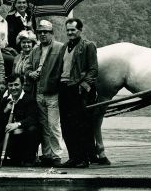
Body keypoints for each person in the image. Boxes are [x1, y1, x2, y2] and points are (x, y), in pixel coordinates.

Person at [57, 18, 98, 168]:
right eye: (68, 30)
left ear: (80, 30)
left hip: (79, 89)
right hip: (64, 88)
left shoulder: (88, 46)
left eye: (73, 30)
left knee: (81, 125)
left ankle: (83, 158)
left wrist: (84, 87)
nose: (70, 33)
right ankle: (73, 157)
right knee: (66, 125)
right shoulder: (64, 47)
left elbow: (93, 69)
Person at [25, 20, 64, 167]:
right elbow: (27, 68)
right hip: (39, 92)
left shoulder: (60, 48)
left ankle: (57, 155)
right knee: (44, 126)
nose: (42, 34)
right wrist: (31, 74)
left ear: (51, 34)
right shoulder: (35, 50)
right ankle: (47, 154)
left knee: (54, 125)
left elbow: (64, 70)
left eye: (45, 32)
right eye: (40, 32)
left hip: (53, 92)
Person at [0, 76, 40, 166]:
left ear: (22, 85)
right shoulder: (5, 100)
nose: (13, 88)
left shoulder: (29, 100)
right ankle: (15, 158)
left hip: (24, 135)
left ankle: (29, 159)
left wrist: (18, 125)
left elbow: (33, 118)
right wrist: (6, 109)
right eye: (10, 85)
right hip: (11, 136)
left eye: (16, 85)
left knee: (33, 129)